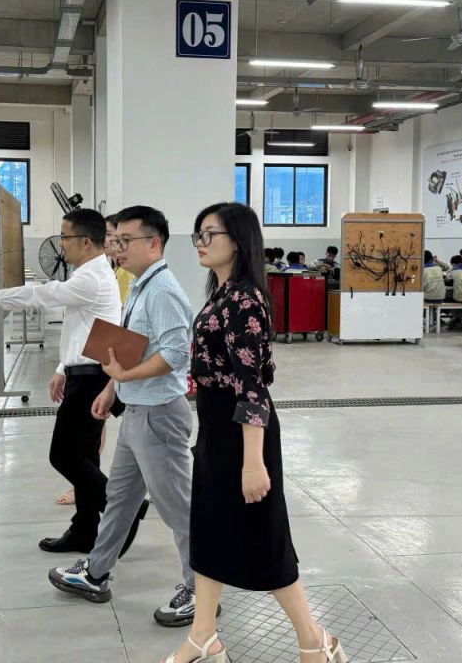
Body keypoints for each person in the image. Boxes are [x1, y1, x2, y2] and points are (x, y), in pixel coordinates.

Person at [159, 202, 346, 663]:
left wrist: (252, 461)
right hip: (216, 428)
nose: (200, 243)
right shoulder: (222, 294)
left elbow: (252, 387)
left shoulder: (245, 300)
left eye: (210, 234)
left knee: (263, 539)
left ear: (239, 242)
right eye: (198, 235)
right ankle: (203, 636)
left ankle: (314, 640)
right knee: (208, 530)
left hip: (243, 435)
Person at [48, 205, 203, 628]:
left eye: (125, 241)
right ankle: (96, 574)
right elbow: (132, 347)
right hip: (137, 411)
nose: (116, 248)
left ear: (154, 243)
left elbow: (176, 354)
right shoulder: (137, 286)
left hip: (159, 415)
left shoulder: (162, 290)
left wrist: (124, 377)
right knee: (119, 499)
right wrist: (111, 388)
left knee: (178, 507)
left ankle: (201, 590)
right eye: (114, 241)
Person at [0, 209, 121, 554]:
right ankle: (85, 530)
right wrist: (64, 367)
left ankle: (122, 508)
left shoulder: (91, 278)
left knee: (63, 456)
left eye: (65, 237)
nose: (60, 243)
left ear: (85, 241)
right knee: (84, 457)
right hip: (86, 373)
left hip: (92, 379)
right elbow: (83, 329)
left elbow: (38, 295)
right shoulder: (93, 274)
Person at [57, 213, 135, 507]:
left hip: (105, 365)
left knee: (75, 451)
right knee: (88, 446)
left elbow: (120, 327)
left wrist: (112, 378)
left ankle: (110, 498)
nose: (114, 244)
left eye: (119, 239)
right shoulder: (110, 272)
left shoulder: (119, 275)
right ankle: (87, 509)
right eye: (113, 238)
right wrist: (63, 366)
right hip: (99, 363)